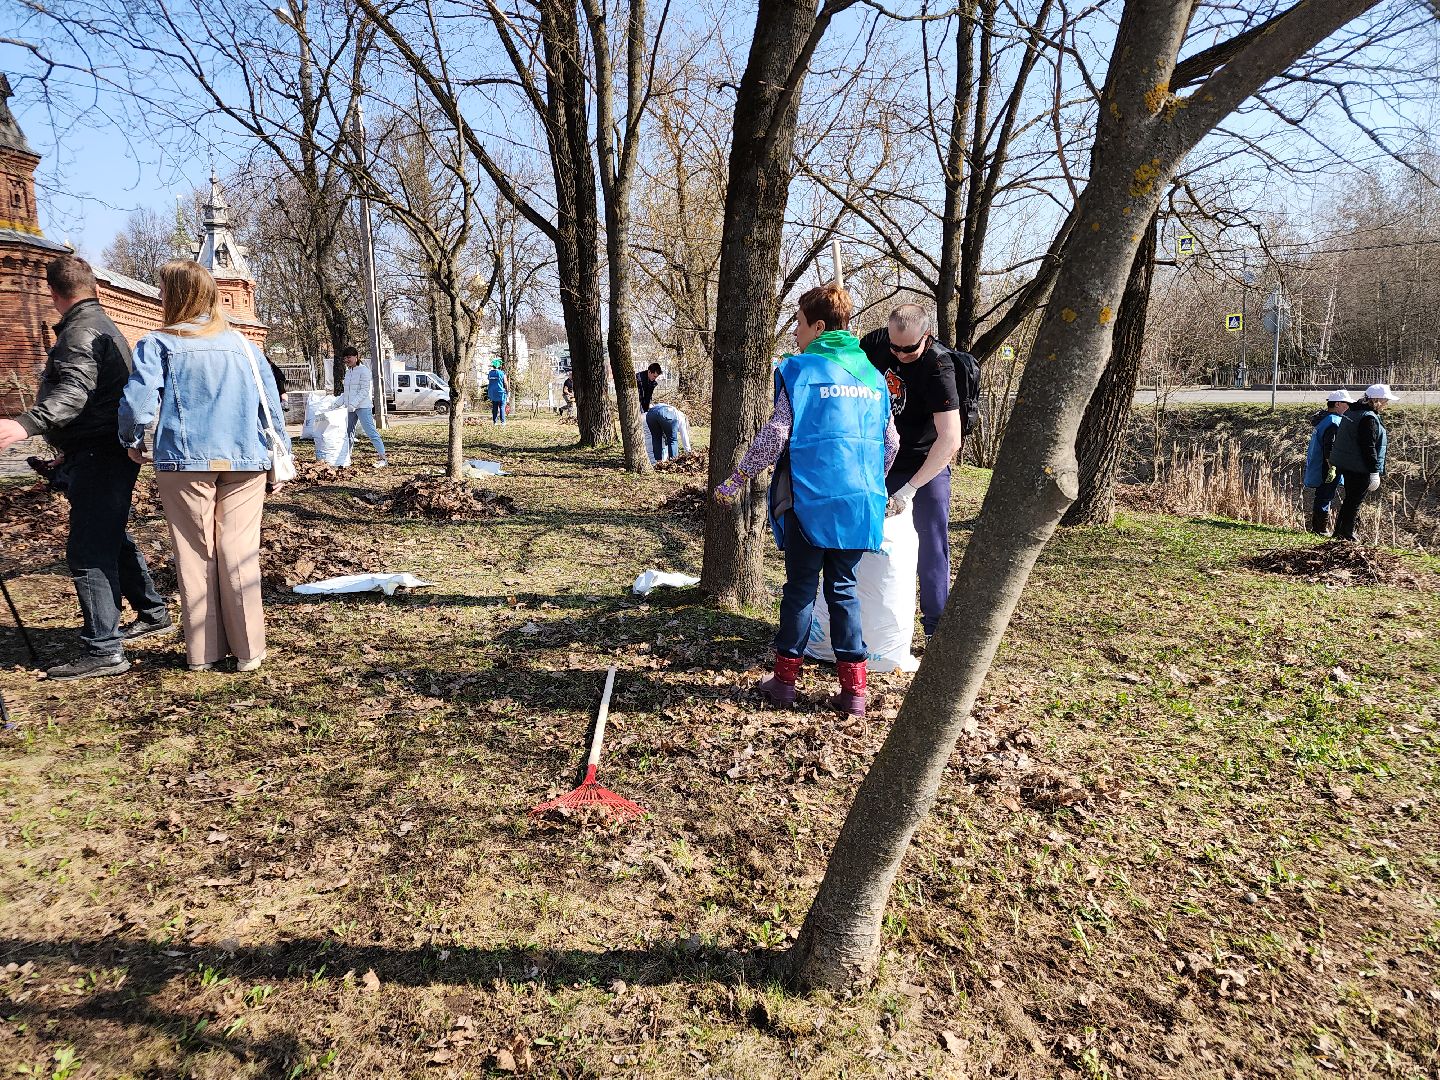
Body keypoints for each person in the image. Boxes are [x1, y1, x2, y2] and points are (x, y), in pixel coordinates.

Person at [714, 282, 899, 718]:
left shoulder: (800, 371)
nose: (794, 332)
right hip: (859, 504)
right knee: (844, 591)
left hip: (810, 500)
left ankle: (783, 684)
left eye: (798, 323)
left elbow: (777, 432)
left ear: (817, 326)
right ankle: (854, 692)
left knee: (799, 590)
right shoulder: (874, 377)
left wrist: (738, 477)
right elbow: (891, 442)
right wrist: (871, 483)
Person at [0, 255, 171, 680]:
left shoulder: (79, 332)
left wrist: (22, 425)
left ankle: (103, 649)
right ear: (94, 285)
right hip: (98, 450)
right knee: (109, 535)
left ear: (53, 293)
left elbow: (75, 395)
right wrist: (70, 449)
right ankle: (152, 612)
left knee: (88, 550)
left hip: (100, 454)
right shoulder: (104, 325)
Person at [118, 260, 292, 674]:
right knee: (239, 552)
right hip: (246, 458)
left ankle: (204, 653)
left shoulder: (158, 343)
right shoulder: (246, 347)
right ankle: (249, 650)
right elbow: (272, 410)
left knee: (196, 554)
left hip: (184, 460)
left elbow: (137, 404)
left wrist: (129, 441)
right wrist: (280, 454)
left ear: (173, 295)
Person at [859, 304, 965, 638]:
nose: (900, 354)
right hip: (880, 461)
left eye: (909, 349)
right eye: (895, 347)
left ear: (926, 336)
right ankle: (865, 622)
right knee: (868, 540)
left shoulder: (938, 366)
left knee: (932, 544)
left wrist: (911, 489)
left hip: (926, 463)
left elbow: (950, 439)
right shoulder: (876, 344)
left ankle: (936, 629)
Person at [1329, 383, 1398, 543]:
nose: (1387, 404)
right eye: (1385, 400)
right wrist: (1374, 472)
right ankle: (1347, 534)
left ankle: (1340, 533)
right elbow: (1369, 447)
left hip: (1347, 463)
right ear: (1377, 400)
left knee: (1350, 500)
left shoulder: (1353, 411)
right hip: (1359, 467)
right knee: (1354, 502)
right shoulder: (1368, 418)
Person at [1303, 389, 1352, 536]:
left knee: (1322, 495)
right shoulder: (1333, 422)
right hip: (1328, 465)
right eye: (1347, 404)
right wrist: (1332, 467)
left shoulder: (1324, 419)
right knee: (1325, 496)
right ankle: (1320, 529)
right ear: (1338, 404)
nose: (1348, 407)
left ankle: (1318, 528)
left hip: (1320, 464)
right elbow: (1329, 446)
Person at [341, 346, 388, 466]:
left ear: (356, 357)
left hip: (363, 407)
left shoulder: (364, 371)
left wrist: (353, 404)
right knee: (348, 433)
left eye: (349, 357)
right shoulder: (348, 372)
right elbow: (346, 392)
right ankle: (346, 457)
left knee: (371, 432)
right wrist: (336, 403)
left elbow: (364, 391)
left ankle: (383, 458)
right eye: (345, 358)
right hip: (350, 408)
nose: (347, 360)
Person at [486, 360, 509, 424]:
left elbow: (490, 380)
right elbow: (505, 382)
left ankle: (495, 422)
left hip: (492, 393)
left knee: (494, 407)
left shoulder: (490, 373)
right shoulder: (502, 373)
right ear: (499, 366)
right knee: (502, 407)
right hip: (501, 392)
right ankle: (503, 422)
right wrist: (507, 391)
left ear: (493, 365)